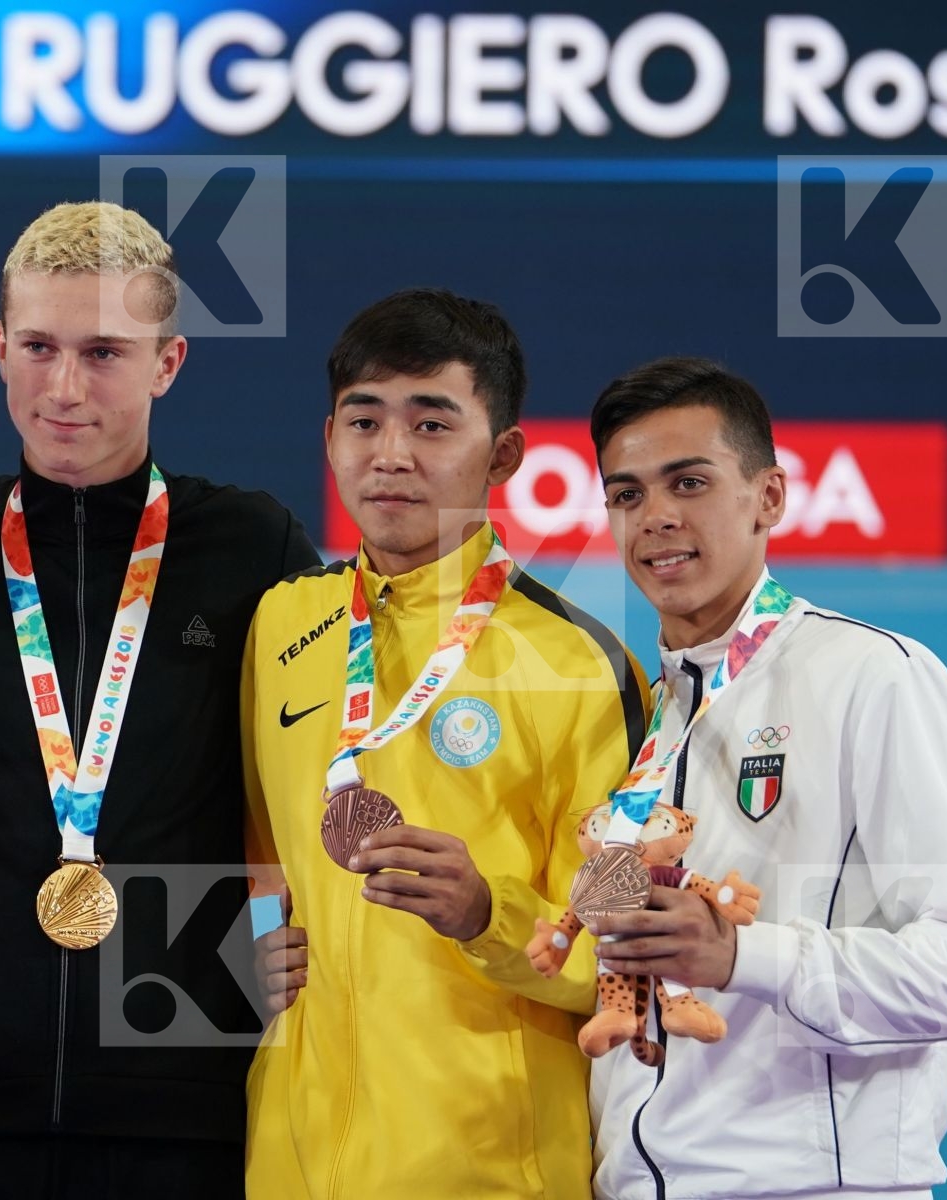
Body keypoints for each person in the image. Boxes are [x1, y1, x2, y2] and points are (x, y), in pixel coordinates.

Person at [0, 201, 319, 1197]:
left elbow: (347, 752)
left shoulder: (252, 547)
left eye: (104, 351)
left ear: (168, 363)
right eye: (38, 346)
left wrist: (298, 954)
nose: (64, 387)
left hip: (185, 1106)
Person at [582, 356, 947, 1200]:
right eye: (627, 494)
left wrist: (745, 955)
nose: (656, 519)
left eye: (689, 482)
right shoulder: (649, 714)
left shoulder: (873, 675)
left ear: (771, 499)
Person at [243, 288, 648, 1199]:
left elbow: (628, 963)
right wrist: (233, 962)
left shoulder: (579, 663)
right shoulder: (280, 624)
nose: (391, 454)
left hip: (486, 1170)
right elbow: (254, 867)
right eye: (365, 420)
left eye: (432, 424)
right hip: (289, 1162)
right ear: (330, 438)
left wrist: (487, 916)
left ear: (502, 455)